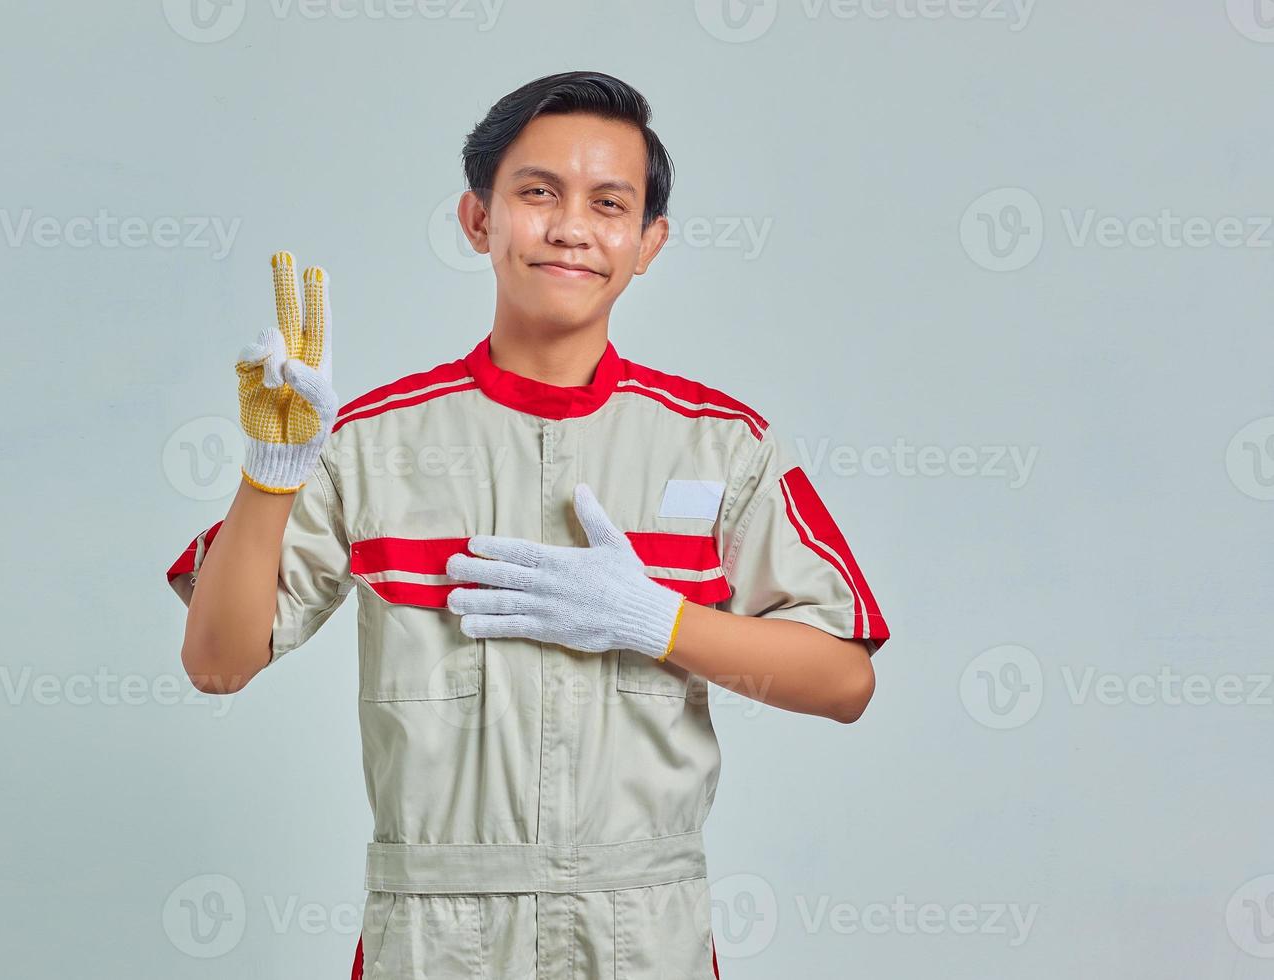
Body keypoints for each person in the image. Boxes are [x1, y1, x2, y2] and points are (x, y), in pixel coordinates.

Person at [167, 69, 891, 980]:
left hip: (644, 932)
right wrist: (274, 474)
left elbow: (844, 683)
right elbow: (217, 662)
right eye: (537, 192)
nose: (571, 227)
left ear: (648, 241)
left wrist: (653, 619)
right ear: (480, 218)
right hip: (434, 935)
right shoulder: (373, 443)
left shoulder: (720, 446)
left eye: (609, 203)